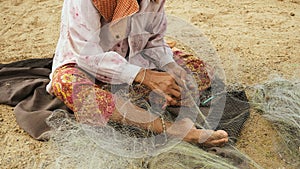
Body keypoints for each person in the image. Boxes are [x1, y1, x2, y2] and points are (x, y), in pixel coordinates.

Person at [46, 0, 228, 147]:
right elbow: (86, 55)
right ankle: (172, 129)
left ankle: (121, 106)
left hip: (135, 63)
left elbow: (155, 41)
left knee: (198, 69)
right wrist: (144, 77)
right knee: (66, 84)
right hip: (85, 67)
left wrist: (171, 67)